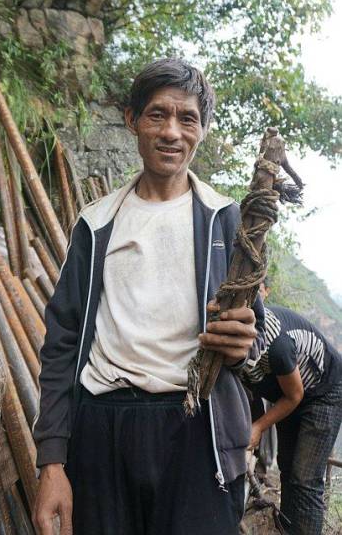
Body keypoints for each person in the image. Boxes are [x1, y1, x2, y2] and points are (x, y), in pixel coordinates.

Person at [32, 58, 265, 535]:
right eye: (157, 115)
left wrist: (242, 351)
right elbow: (61, 342)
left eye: (188, 119)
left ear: (202, 129)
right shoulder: (96, 224)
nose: (172, 133)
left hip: (196, 428)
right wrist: (52, 461)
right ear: (132, 120)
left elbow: (254, 352)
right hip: (104, 428)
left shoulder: (226, 222)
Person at [244, 282, 342, 535]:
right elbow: (253, 390)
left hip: (324, 391)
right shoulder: (235, 347)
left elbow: (294, 395)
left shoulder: (277, 346)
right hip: (288, 394)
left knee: (306, 478)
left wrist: (258, 426)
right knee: (287, 466)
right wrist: (253, 429)